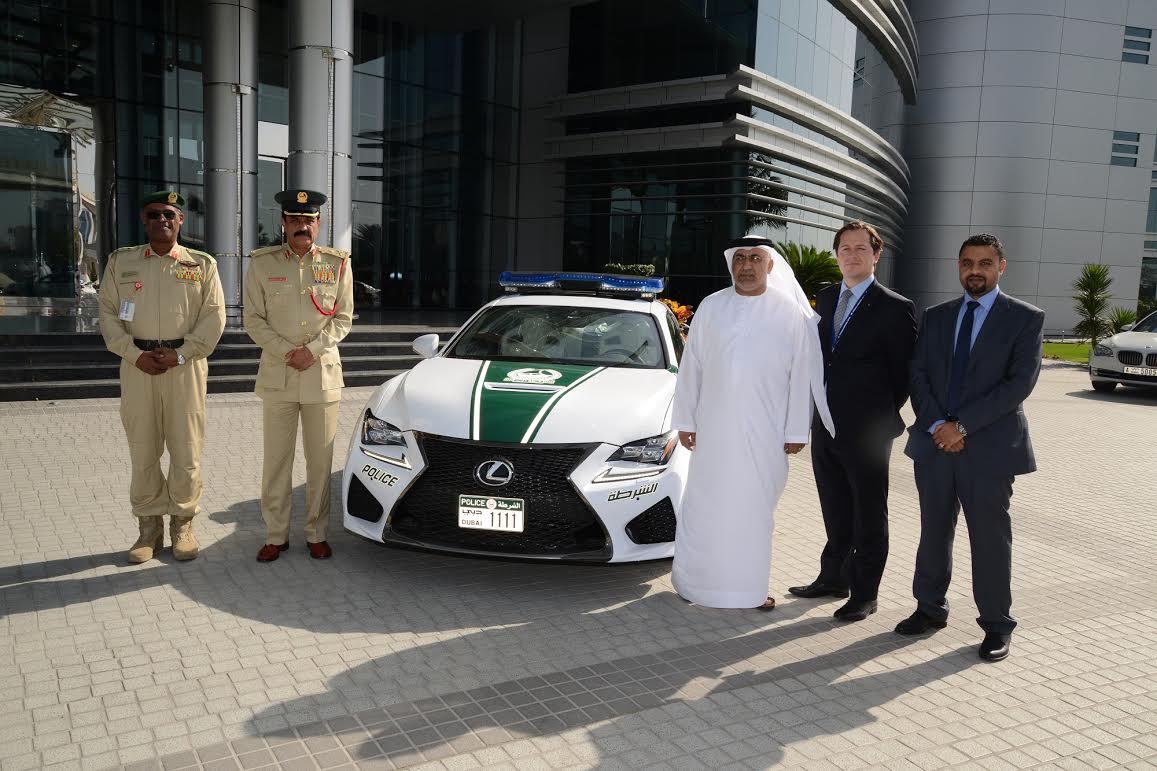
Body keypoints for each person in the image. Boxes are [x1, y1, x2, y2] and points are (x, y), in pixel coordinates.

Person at [896, 233, 1044, 662]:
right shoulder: (937, 316)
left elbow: (1019, 384)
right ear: (958, 266)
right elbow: (918, 373)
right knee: (933, 532)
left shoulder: (1025, 318)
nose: (974, 271)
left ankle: (997, 624)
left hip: (990, 449)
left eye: (984, 263)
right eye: (967, 263)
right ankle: (929, 608)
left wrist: (961, 427)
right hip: (935, 445)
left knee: (990, 539)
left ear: (1001, 266)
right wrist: (938, 425)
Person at [670, 235, 834, 610]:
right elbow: (692, 366)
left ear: (770, 265)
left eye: (756, 259)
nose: (747, 266)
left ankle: (748, 591)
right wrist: (686, 420)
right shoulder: (711, 306)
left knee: (753, 513)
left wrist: (796, 429)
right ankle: (697, 585)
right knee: (705, 508)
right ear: (731, 264)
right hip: (713, 431)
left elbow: (801, 376)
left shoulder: (789, 312)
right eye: (740, 258)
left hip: (766, 433)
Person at [789, 222, 916, 622]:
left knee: (868, 512)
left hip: (868, 432)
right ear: (837, 254)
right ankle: (833, 578)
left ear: (876, 255)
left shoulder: (895, 307)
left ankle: (865, 593)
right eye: (845, 248)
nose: (852, 255)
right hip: (825, 425)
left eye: (861, 248)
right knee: (835, 505)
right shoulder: (826, 298)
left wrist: (874, 416)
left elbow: (903, 376)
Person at [98, 191, 226, 563]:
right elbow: (108, 313)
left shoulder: (201, 265)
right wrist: (134, 354)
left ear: (180, 220)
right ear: (144, 219)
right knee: (143, 450)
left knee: (186, 451)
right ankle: (149, 529)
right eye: (154, 214)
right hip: (138, 366)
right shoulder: (121, 262)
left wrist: (182, 353)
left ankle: (183, 525)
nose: (162, 220)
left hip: (185, 366)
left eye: (169, 214)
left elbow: (214, 316)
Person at [244, 189, 354, 562]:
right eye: (294, 220)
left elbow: (343, 318)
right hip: (280, 374)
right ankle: (276, 534)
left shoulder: (338, 264)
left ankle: (316, 533)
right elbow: (253, 319)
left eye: (308, 220)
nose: (301, 226)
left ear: (318, 223)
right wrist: (286, 351)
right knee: (276, 462)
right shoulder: (262, 264)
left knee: (320, 464)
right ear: (283, 223)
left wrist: (313, 350)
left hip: (321, 375)